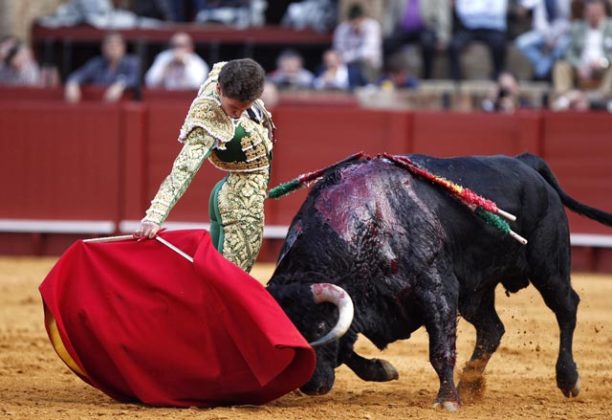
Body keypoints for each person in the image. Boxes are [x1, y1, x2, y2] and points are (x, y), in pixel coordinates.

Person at [134, 59, 275, 273]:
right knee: (233, 279)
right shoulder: (208, 121)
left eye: (244, 108)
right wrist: (154, 217)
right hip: (240, 198)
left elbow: (229, 66)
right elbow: (183, 169)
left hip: (232, 190)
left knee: (220, 275)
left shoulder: (225, 74)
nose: (237, 114)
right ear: (219, 89)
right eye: (234, 107)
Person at [553, 0, 612, 93]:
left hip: (603, 68)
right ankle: (563, 97)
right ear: (585, 13)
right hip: (582, 67)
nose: (593, 15)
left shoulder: (610, 27)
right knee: (561, 66)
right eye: (591, 12)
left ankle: (603, 98)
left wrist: (603, 62)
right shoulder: (577, 27)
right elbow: (569, 53)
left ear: (603, 12)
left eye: (596, 12)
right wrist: (580, 65)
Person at [383, 0, 451, 79]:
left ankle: (427, 78)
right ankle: (387, 78)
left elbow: (442, 14)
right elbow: (391, 13)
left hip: (425, 29)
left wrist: (442, 37)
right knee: (387, 45)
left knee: (428, 44)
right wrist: (386, 33)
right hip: (404, 30)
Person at [65, 32, 139, 103]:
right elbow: (78, 75)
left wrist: (120, 85)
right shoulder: (96, 64)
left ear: (123, 47)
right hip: (98, 106)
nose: (113, 48)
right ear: (103, 48)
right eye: (110, 44)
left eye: (117, 44)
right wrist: (72, 83)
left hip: (123, 107)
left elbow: (136, 78)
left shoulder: (132, 62)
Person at [448, 0, 509, 81]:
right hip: (469, 28)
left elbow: (497, 12)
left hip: (493, 28)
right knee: (454, 45)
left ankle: (498, 75)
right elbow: (462, 12)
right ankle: (456, 78)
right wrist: (483, 10)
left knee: (499, 45)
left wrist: (475, 10)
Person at [515, 0, 572, 80]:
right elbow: (522, 10)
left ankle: (543, 72)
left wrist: (555, 37)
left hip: (559, 35)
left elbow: (566, 21)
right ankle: (543, 68)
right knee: (521, 43)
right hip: (541, 34)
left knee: (563, 45)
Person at [333, 3, 382, 82]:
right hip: (347, 66)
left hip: (369, 66)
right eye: (353, 21)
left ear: (363, 18)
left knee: (365, 62)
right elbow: (338, 50)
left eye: (359, 20)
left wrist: (346, 57)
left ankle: (370, 85)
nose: (356, 23)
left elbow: (367, 52)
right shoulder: (343, 28)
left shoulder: (372, 26)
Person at [145, 32, 209, 90]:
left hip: (187, 98)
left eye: (181, 46)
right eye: (174, 46)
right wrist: (167, 66)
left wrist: (185, 64)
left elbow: (197, 85)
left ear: (190, 47)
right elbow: (150, 82)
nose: (177, 49)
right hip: (165, 96)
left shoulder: (196, 62)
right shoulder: (164, 58)